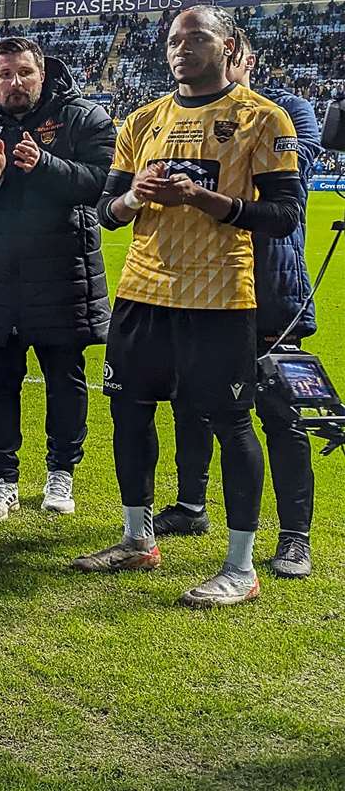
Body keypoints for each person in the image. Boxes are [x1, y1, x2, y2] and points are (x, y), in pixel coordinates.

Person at [78, 5, 303, 608]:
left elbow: (285, 215)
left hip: (219, 296)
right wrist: (132, 197)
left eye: (197, 37)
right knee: (129, 413)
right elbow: (106, 212)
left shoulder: (261, 117)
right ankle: (136, 539)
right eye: (175, 39)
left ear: (228, 46)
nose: (182, 48)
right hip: (143, 292)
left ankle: (240, 567)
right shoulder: (142, 119)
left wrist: (209, 200)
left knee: (230, 423)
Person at [0, 36, 115, 520]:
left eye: (25, 73)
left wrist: (45, 164)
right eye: (5, 74)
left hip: (61, 277)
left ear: (42, 73)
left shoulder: (82, 117)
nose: (16, 83)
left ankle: (61, 473)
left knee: (65, 380)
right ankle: (2, 480)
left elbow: (104, 183)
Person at [159, 35, 324, 578]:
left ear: (240, 57)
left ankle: (294, 536)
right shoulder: (181, 117)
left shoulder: (285, 112)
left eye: (234, 56)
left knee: (279, 410)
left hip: (271, 288)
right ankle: (191, 504)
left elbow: (284, 202)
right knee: (193, 398)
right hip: (200, 285)